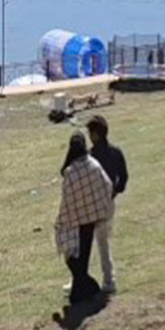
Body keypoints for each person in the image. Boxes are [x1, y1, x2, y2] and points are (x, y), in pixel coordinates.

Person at [55, 130, 115, 307]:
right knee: (83, 259)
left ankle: (89, 290)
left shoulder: (70, 172)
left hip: (74, 222)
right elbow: (107, 185)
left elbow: (66, 199)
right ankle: (86, 291)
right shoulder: (94, 165)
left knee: (74, 260)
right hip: (91, 220)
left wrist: (62, 220)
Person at [86, 116, 128, 295]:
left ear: (95, 135)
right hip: (109, 202)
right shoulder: (116, 152)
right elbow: (124, 178)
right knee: (102, 240)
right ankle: (106, 279)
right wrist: (114, 193)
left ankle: (105, 280)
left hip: (93, 204)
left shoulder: (90, 157)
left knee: (92, 242)